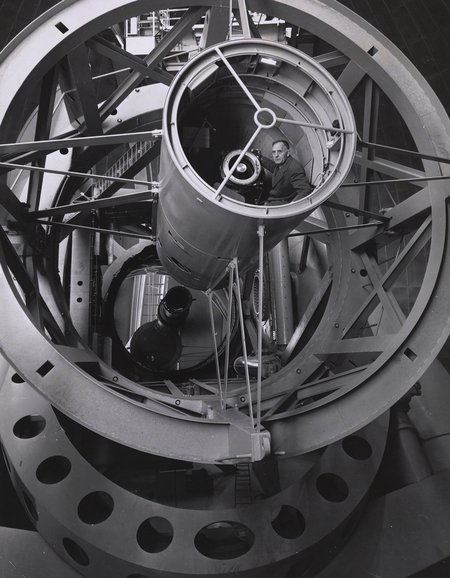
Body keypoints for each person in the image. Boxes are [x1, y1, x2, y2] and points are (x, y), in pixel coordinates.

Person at [261, 140, 311, 204]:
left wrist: (292, 205)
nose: (276, 155)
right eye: (274, 152)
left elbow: (305, 190)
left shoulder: (294, 168)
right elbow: (275, 169)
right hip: (274, 199)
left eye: (279, 151)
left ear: (287, 153)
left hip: (281, 203)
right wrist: (261, 158)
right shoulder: (283, 163)